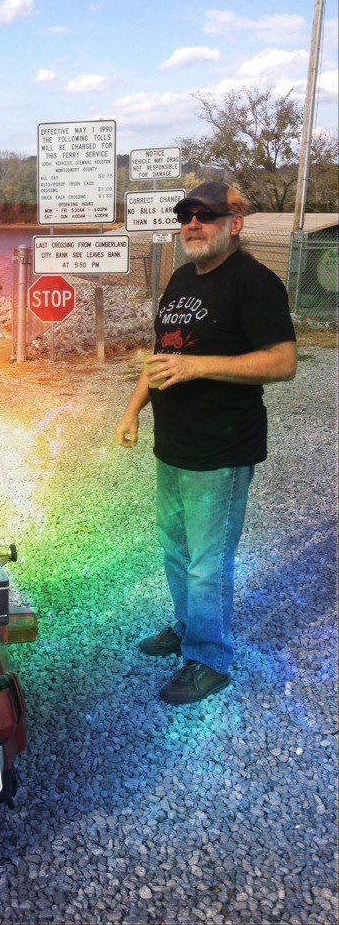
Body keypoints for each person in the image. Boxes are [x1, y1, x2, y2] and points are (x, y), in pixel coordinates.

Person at [115, 181, 297, 705]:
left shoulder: (254, 283)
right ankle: (187, 625)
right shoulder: (179, 279)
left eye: (206, 214)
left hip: (221, 451)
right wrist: (131, 410)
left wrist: (199, 366)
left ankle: (210, 657)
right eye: (185, 214)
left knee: (208, 559)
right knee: (175, 546)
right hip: (173, 446)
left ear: (234, 223)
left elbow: (282, 362)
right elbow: (161, 356)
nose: (192, 222)